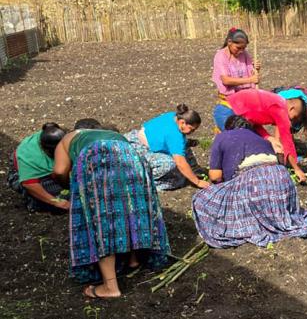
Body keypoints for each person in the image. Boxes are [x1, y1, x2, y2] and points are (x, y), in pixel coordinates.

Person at [52, 127, 171, 299]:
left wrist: (69, 186)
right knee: (130, 207)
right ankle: (133, 259)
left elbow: (59, 171)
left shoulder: (66, 139)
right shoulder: (110, 134)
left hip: (96, 156)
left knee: (101, 217)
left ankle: (110, 286)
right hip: (131, 154)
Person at [192, 115, 307, 248]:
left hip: (253, 181)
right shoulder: (261, 139)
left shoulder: (222, 137)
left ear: (228, 128)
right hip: (281, 177)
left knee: (201, 199)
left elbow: (215, 176)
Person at [225, 88, 307, 182]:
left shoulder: (277, 101)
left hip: (226, 106)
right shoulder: (281, 110)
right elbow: (288, 144)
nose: (292, 121)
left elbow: (253, 122)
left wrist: (269, 137)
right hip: (230, 112)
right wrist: (297, 169)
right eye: (295, 117)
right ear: (292, 108)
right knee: (235, 150)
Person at [124, 104, 209, 190]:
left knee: (184, 146)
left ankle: (193, 169)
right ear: (182, 122)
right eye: (191, 129)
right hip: (137, 150)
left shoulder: (174, 116)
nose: (192, 132)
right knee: (170, 166)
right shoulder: (175, 135)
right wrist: (197, 182)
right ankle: (144, 180)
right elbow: (180, 162)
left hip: (135, 137)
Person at [7, 123, 68, 213]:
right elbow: (30, 184)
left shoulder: (57, 137)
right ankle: (33, 202)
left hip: (47, 171)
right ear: (45, 149)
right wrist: (56, 202)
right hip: (22, 176)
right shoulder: (30, 156)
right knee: (56, 202)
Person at [212, 28, 261, 132]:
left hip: (246, 100)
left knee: (250, 131)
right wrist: (250, 79)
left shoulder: (245, 54)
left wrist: (255, 69)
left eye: (244, 48)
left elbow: (252, 75)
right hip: (229, 102)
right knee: (231, 132)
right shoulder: (220, 56)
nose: (241, 51)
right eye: (238, 48)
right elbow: (226, 80)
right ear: (229, 42)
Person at [272, 85, 307, 161]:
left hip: (299, 104)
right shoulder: (279, 109)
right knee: (285, 134)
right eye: (294, 118)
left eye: (296, 118)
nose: (293, 120)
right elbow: (278, 137)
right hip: (282, 99)